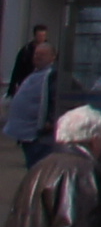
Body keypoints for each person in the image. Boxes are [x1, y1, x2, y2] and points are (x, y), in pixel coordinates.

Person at [2, 36, 58, 172]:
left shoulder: (52, 75)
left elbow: (56, 100)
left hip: (40, 135)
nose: (37, 57)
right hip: (27, 133)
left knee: (38, 169)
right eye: (36, 54)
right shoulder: (36, 73)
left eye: (42, 54)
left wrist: (50, 121)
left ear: (53, 57)